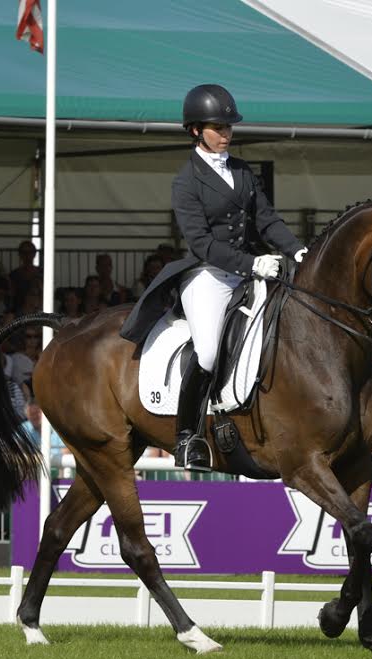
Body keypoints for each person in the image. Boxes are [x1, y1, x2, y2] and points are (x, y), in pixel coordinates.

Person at [120, 84, 306, 471]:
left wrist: (297, 250)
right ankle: (188, 436)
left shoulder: (241, 169)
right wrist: (251, 264)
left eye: (229, 127)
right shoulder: (186, 181)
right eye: (217, 127)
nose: (226, 134)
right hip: (208, 276)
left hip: (253, 270)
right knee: (206, 350)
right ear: (195, 130)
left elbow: (266, 219)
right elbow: (201, 243)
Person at [9, 241, 42, 305]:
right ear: (20, 255)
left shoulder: (42, 273)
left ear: (34, 254)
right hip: (19, 308)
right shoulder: (14, 274)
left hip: (38, 307)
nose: (27, 255)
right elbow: (12, 295)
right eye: (24, 252)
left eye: (30, 252)